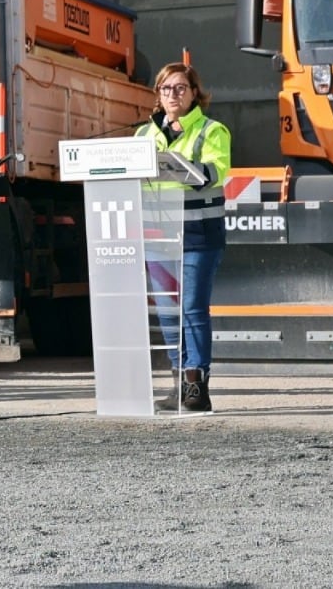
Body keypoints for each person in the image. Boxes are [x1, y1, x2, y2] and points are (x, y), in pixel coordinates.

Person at [135, 62, 231, 414]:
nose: (172, 95)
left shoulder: (212, 130)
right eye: (165, 89)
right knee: (168, 313)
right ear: (158, 95)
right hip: (158, 237)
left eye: (179, 88)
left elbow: (214, 172)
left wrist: (172, 163)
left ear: (194, 93)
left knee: (191, 310)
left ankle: (196, 386)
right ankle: (177, 385)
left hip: (197, 236)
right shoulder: (144, 135)